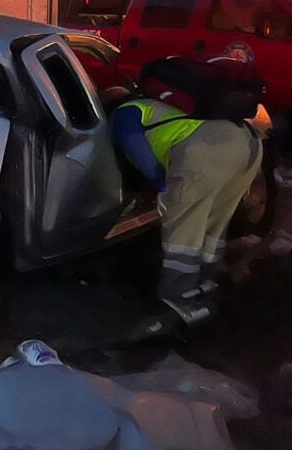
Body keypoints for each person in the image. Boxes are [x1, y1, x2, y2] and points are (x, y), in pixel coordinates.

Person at [111, 84, 263, 333]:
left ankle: (175, 301)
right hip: (249, 142)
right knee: (215, 224)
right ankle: (206, 285)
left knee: (184, 233)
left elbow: (134, 146)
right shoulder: (157, 106)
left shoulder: (124, 113)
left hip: (207, 151)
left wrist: (162, 183)